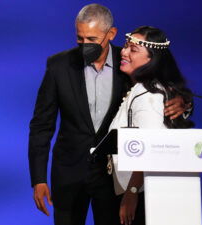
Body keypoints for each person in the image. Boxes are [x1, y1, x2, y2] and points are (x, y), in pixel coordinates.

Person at [28, 4, 189, 225]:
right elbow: (41, 125)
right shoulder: (59, 65)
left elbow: (160, 89)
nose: (85, 45)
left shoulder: (128, 65)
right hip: (69, 174)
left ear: (111, 34)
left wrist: (183, 102)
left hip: (111, 177)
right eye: (80, 38)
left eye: (92, 39)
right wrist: (38, 178)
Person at [108, 26, 194, 225]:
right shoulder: (140, 89)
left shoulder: (148, 95)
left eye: (133, 50)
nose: (124, 52)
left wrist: (131, 193)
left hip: (145, 194)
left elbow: (150, 149)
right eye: (126, 46)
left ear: (151, 59)